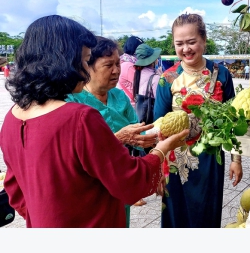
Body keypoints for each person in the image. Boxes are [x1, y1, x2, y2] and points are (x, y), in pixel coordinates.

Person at [0, 15, 189, 228]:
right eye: (83, 60)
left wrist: (46, 215)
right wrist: (162, 150)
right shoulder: (80, 118)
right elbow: (131, 183)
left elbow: (13, 189)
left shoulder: (12, 118)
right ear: (62, 62)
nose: (84, 71)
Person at [154, 13, 243, 228]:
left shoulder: (221, 74)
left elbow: (234, 120)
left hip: (210, 161)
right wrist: (156, 169)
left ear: (203, 40)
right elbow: (157, 126)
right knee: (177, 217)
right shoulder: (168, 79)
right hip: (175, 163)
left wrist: (236, 160)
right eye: (179, 44)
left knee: (206, 216)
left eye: (191, 42)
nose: (186, 49)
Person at [65, 36, 157, 213]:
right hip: (91, 186)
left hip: (121, 179)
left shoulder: (119, 96)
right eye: (108, 65)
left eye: (118, 64)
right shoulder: (72, 102)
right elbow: (74, 153)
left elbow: (138, 131)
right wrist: (118, 139)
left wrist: (158, 139)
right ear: (87, 67)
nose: (116, 71)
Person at [117, 35, 144, 108]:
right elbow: (141, 83)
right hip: (132, 105)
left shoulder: (123, 61)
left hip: (126, 103)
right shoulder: (129, 66)